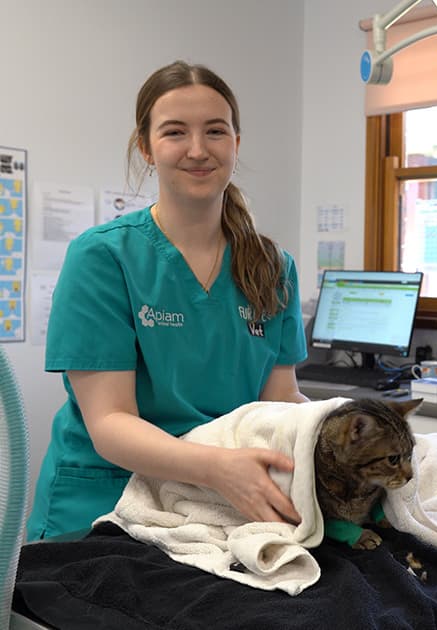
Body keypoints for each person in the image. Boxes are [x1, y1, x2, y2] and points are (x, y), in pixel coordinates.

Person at [27, 61, 310, 540]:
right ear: (146, 147)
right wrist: (219, 470)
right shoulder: (103, 256)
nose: (198, 150)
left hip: (216, 507)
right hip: (104, 508)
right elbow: (111, 420)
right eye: (175, 132)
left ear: (236, 144)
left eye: (215, 131)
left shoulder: (272, 266)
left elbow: (280, 403)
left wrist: (344, 432)